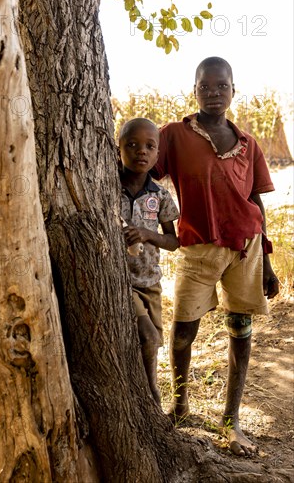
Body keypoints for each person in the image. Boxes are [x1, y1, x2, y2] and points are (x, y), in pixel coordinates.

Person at [152, 56, 280, 456]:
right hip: (197, 248)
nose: (213, 93)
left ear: (232, 91)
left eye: (221, 86)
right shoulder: (173, 135)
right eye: (205, 86)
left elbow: (255, 202)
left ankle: (231, 418)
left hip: (245, 249)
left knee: (240, 329)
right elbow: (139, 168)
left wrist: (269, 263)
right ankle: (180, 404)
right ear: (194, 91)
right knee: (183, 331)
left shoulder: (247, 143)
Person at [119, 118, 179, 404]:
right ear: (117, 149)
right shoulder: (105, 188)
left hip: (150, 282)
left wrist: (146, 233)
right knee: (147, 336)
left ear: (157, 155)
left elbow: (173, 242)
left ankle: (142, 389)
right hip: (120, 281)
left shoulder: (161, 196)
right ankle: (152, 394)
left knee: (151, 342)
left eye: (149, 146)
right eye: (131, 145)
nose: (140, 151)